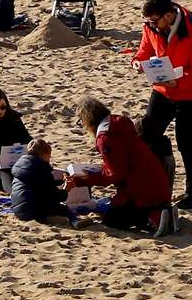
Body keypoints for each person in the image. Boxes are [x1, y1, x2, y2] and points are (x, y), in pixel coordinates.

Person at [135, 0, 192, 209]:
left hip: (190, 95)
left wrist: (177, 82)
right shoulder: (151, 27)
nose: (151, 25)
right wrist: (137, 62)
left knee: (186, 143)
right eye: (148, 21)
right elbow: (144, 50)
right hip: (162, 90)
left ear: (168, 16)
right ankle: (151, 187)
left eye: (154, 20)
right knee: (147, 137)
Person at [68, 98, 175, 234]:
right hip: (154, 183)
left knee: (112, 220)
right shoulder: (117, 124)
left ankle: (154, 217)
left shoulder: (105, 137)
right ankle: (160, 211)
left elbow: (116, 173)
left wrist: (83, 180)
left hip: (141, 190)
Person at [10, 140, 71, 225]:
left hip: (18, 209)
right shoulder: (42, 169)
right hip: (33, 212)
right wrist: (66, 190)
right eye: (49, 156)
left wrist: (60, 181)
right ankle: (73, 221)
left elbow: (39, 184)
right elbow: (53, 196)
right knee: (64, 209)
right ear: (44, 155)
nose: (49, 159)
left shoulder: (22, 166)